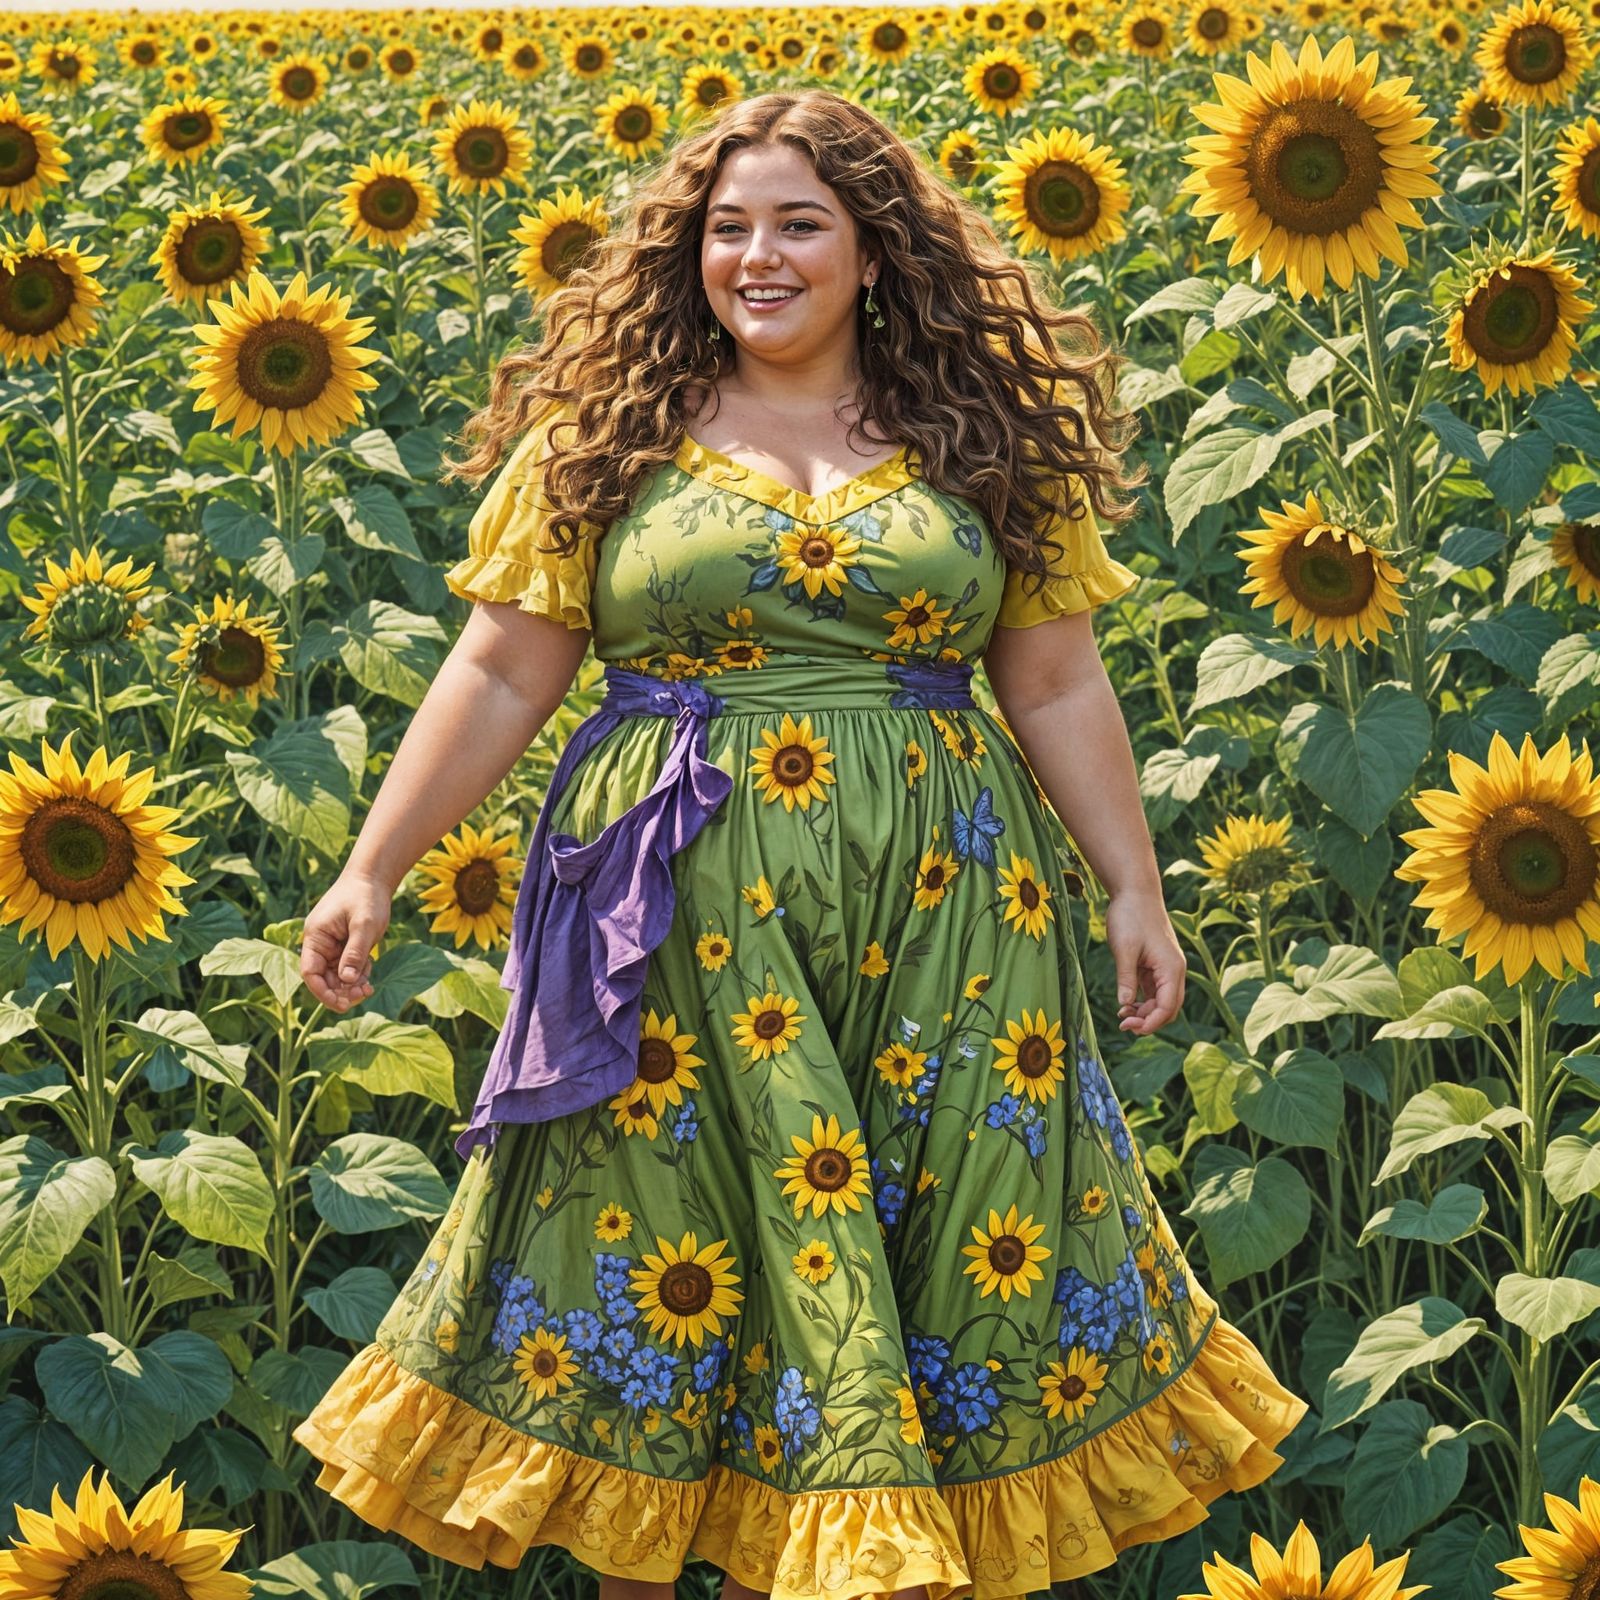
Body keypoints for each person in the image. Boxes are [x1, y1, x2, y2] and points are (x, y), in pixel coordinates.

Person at [292, 89, 1307, 1600]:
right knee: (660, 1265)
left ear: (876, 252)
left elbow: (1054, 674)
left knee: (948, 1262)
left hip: (950, 919)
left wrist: (1133, 885)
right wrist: (370, 863)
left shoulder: (975, 432)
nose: (757, 257)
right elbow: (504, 665)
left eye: (799, 224)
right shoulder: (611, 434)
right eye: (728, 228)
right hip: (670, 915)